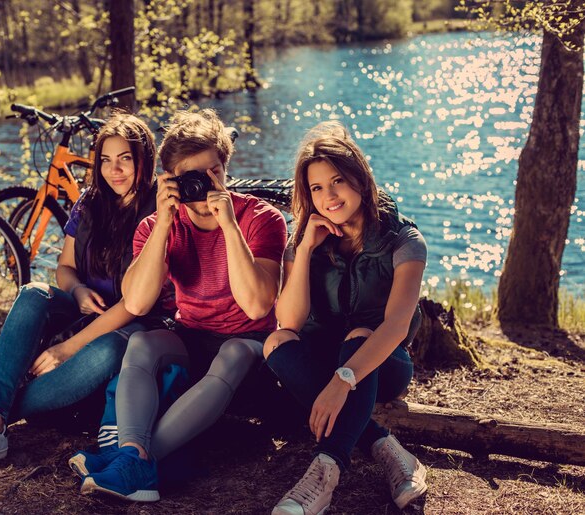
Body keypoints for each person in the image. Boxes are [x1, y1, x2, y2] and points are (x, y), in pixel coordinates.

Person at [74, 109, 287, 502]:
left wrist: (228, 226)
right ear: (169, 179)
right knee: (142, 344)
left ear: (225, 169)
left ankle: (133, 462)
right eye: (191, 178)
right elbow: (136, 301)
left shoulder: (260, 218)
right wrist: (163, 224)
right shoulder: (156, 226)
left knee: (235, 351)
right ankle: (133, 455)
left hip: (250, 352)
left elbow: (258, 307)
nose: (205, 187)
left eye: (213, 174)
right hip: (193, 338)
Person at [0, 113, 159, 470]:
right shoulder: (90, 202)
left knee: (111, 348)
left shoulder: (159, 209)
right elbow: (64, 268)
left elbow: (135, 304)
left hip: (134, 322)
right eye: (106, 160)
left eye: (125, 159)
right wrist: (79, 290)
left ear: (144, 159)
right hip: (86, 310)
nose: (115, 170)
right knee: (35, 291)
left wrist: (67, 348)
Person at [263, 121, 428, 513]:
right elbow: (288, 321)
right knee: (275, 342)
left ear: (359, 179)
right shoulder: (302, 239)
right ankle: (385, 447)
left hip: (381, 366)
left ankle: (325, 471)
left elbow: (396, 327)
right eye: (316, 188)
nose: (328, 196)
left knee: (360, 332)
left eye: (337, 181)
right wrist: (303, 251)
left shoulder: (403, 241)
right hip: (325, 365)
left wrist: (343, 380)